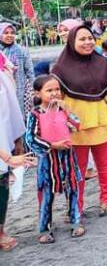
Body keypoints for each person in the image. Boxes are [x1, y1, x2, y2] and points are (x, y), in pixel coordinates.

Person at [51, 25, 107, 217]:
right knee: (77, 170)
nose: (87, 42)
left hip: (102, 121)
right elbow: (54, 98)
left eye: (89, 38)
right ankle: (76, 206)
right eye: (82, 39)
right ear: (72, 42)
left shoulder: (104, 63)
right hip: (75, 128)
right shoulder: (60, 69)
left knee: (104, 164)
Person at [25, 75, 84, 243]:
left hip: (68, 158)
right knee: (47, 194)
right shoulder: (35, 114)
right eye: (49, 90)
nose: (54, 93)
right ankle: (44, 228)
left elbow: (76, 126)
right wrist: (51, 145)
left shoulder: (62, 110)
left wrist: (68, 111)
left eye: (57, 89)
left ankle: (76, 221)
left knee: (72, 189)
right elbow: (30, 138)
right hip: (48, 162)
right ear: (38, 93)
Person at [0, 51, 36, 252]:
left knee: (1, 187)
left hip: (4, 134)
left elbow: (11, 105)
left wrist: (17, 139)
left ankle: (0, 231)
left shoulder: (3, 63)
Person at [0, 23, 35, 117]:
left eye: (12, 33)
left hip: (20, 89)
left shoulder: (22, 50)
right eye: (6, 33)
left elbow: (30, 72)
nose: (9, 35)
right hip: (3, 89)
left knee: (20, 116)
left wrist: (34, 89)